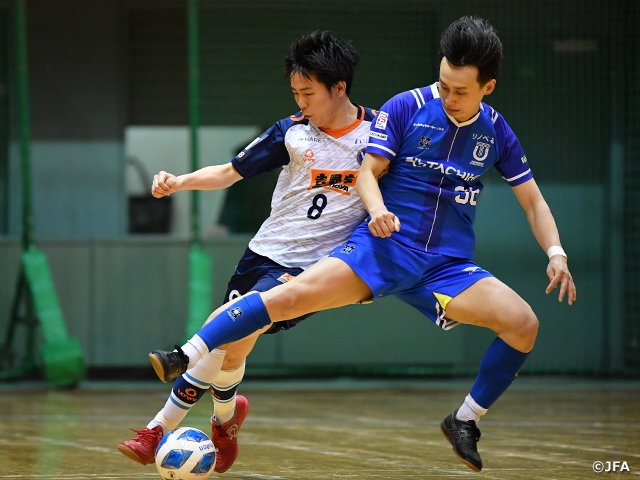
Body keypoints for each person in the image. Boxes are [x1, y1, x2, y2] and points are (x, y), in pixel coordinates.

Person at [149, 16, 577, 473]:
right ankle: (184, 357)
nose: (449, 97)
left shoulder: (496, 132)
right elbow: (367, 174)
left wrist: (556, 253)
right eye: (444, 83)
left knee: (523, 324)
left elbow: (533, 203)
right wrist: (377, 213)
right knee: (284, 297)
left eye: (461, 91)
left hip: (446, 266)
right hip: (384, 247)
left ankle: (465, 420)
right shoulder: (406, 107)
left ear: (487, 87)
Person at [118, 31, 377, 472]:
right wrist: (179, 181)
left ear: (339, 87)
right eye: (295, 92)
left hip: (312, 269)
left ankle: (154, 430)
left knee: (217, 337)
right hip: (263, 252)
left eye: (309, 93)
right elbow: (228, 172)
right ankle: (226, 420)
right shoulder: (291, 132)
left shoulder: (379, 133)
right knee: (232, 354)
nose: (302, 102)